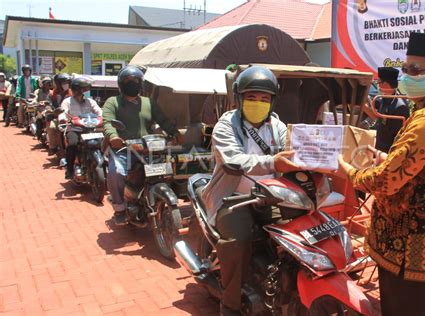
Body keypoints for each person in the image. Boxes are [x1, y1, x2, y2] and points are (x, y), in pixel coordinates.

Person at [338, 33, 425, 316]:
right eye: (404, 68)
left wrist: (348, 171)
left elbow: (385, 182)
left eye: (414, 70)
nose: (404, 76)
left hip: (408, 248)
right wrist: (389, 158)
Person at [200, 66, 302, 315]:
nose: (258, 103)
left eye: (264, 99)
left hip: (272, 195)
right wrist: (273, 162)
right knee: (237, 242)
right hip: (234, 198)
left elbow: (292, 150)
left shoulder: (277, 126)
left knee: (300, 231)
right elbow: (233, 161)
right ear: (240, 98)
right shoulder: (226, 125)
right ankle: (231, 304)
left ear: (272, 101)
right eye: (252, 98)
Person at [103, 65, 182, 225]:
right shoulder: (113, 102)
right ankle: (119, 208)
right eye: (128, 81)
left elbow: (163, 120)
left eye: (136, 81)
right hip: (124, 149)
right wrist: (113, 136)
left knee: (170, 170)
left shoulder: (149, 102)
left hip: (149, 148)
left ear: (141, 84)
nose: (132, 83)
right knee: (115, 172)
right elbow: (108, 122)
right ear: (121, 84)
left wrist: (175, 133)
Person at [59, 77, 102, 179]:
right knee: (72, 144)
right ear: (76, 89)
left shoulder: (90, 101)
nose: (84, 92)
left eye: (85, 89)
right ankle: (69, 169)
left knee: (103, 143)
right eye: (82, 89)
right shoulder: (67, 101)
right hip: (74, 129)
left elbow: (99, 111)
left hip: (90, 129)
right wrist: (62, 119)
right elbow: (63, 112)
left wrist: (103, 117)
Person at [366, 67, 410, 153]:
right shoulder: (384, 98)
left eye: (379, 83)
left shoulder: (400, 107)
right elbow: (379, 118)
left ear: (385, 84)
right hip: (380, 148)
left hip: (389, 151)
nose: (378, 86)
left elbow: (396, 135)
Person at [47, 73, 72, 155]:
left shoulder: (71, 93)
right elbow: (48, 105)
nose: (66, 85)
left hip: (70, 117)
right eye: (64, 83)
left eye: (67, 82)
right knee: (52, 127)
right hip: (56, 116)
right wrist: (52, 111)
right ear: (58, 84)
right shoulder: (52, 94)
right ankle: (53, 147)